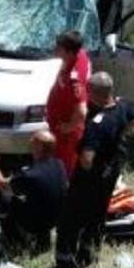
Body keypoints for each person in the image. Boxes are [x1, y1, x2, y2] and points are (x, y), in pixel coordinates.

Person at [56, 72, 134, 268]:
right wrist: (119, 137)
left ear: (93, 92)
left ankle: (65, 264)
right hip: (111, 170)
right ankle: (89, 254)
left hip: (91, 177)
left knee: (71, 218)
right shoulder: (122, 105)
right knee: (98, 213)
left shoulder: (96, 125)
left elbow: (86, 160)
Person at [0, 130, 67, 258]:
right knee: (33, 198)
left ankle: (14, 240)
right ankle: (43, 237)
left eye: (34, 140)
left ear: (40, 147)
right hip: (55, 220)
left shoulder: (30, 175)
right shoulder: (59, 164)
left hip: (35, 223)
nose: (30, 142)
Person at [45, 30, 92, 178]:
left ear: (70, 52)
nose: (55, 49)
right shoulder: (80, 55)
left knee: (63, 167)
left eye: (59, 48)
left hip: (66, 134)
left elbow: (82, 111)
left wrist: (69, 127)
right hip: (58, 125)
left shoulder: (74, 80)